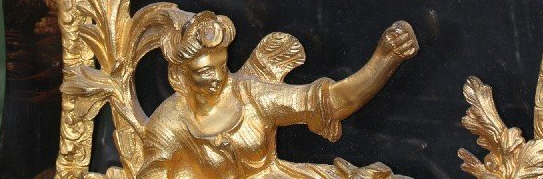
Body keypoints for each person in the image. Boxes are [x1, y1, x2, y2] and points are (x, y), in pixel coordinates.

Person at [138, 10, 418, 179]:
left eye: (222, 67)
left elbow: (330, 102)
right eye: (203, 72)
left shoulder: (249, 95)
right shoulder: (168, 124)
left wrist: (385, 58)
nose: (217, 79)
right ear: (179, 77)